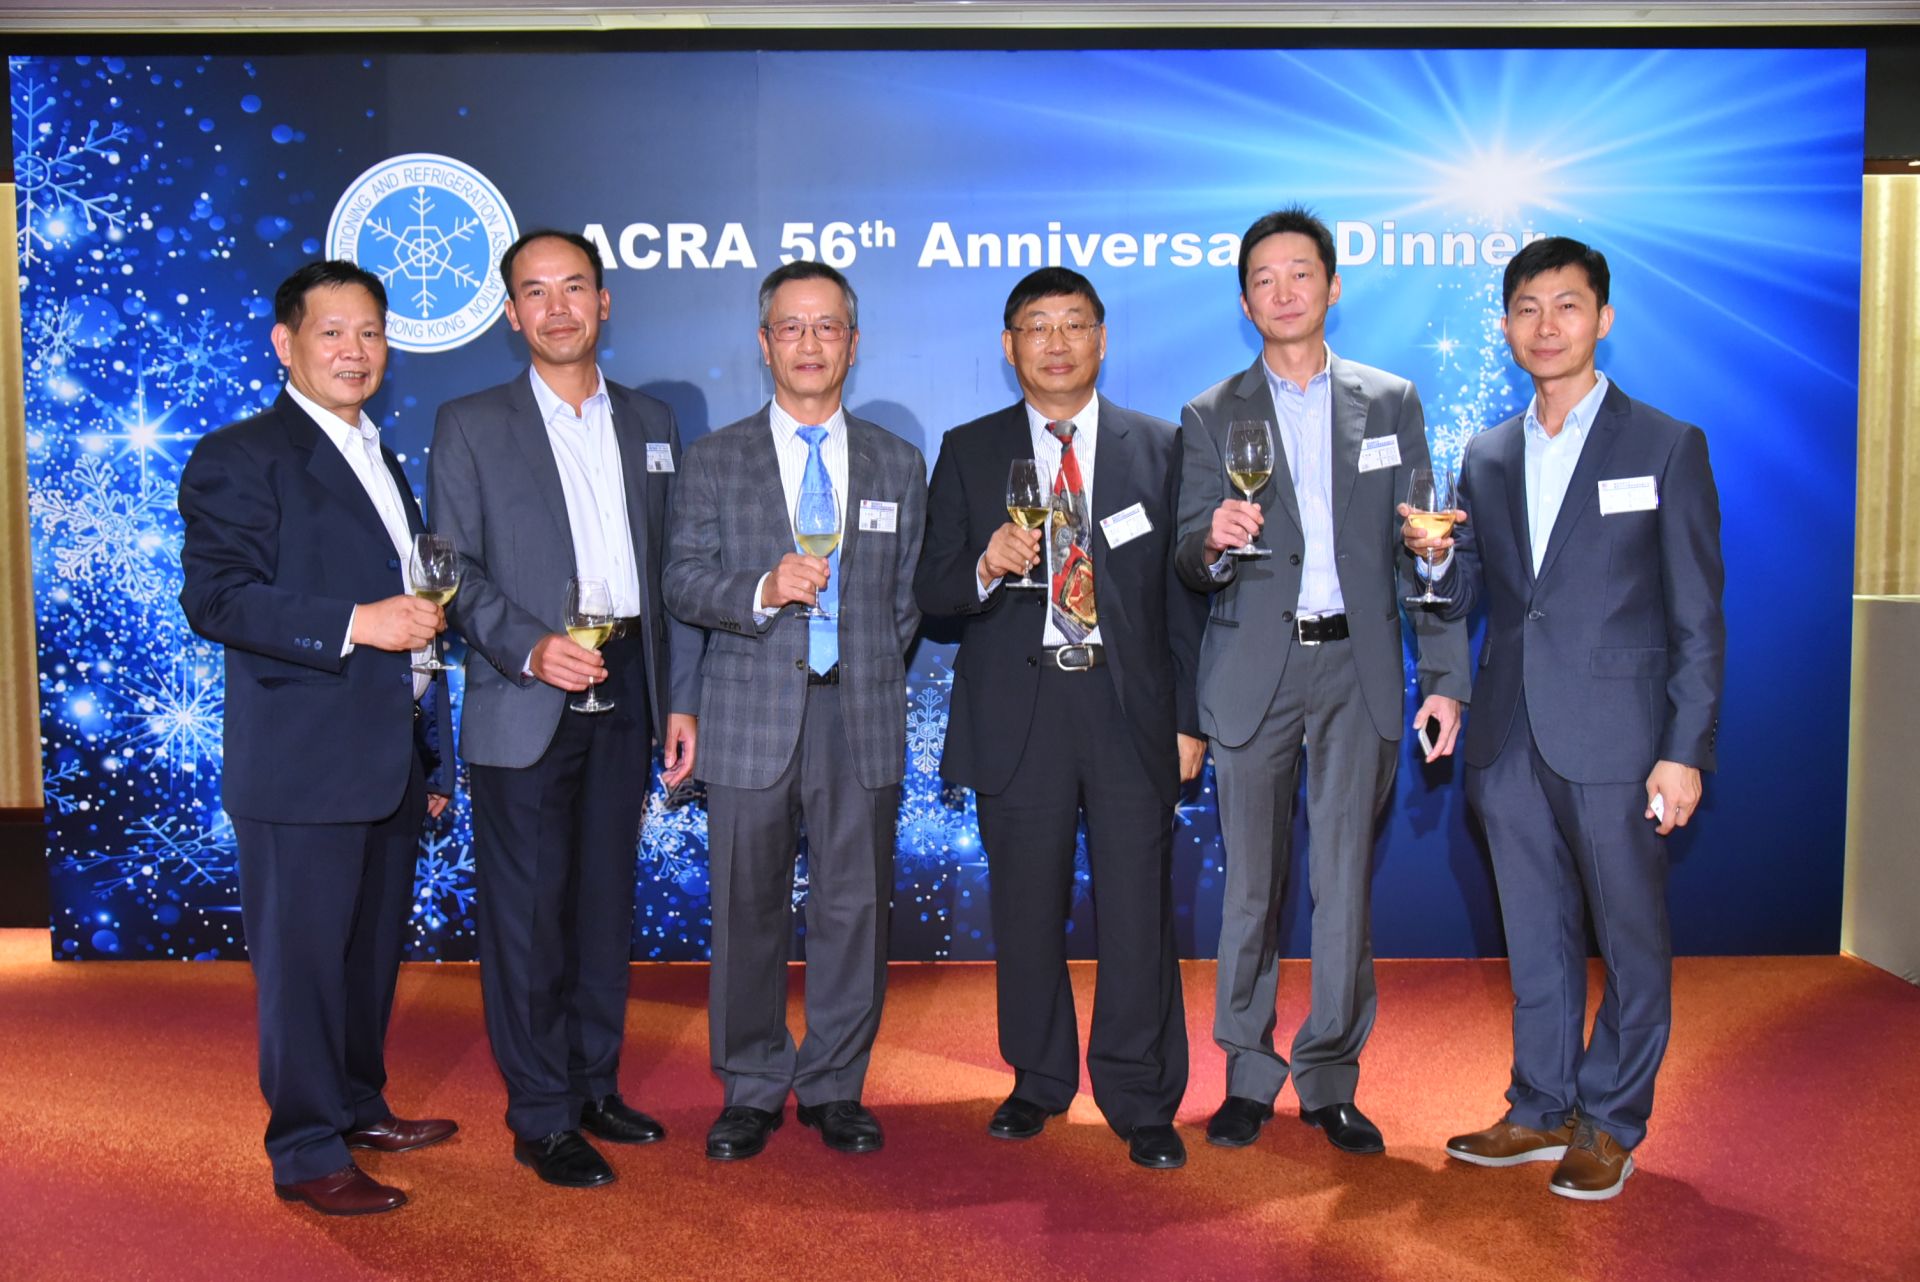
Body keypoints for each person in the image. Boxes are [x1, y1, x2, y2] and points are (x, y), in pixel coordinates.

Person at [1405, 235, 1724, 1201]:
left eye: (1568, 305)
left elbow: (1698, 616)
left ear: (1603, 318)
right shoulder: (1488, 452)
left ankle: (1612, 1120)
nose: (1547, 326)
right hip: (1507, 735)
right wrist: (1433, 563)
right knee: (1534, 933)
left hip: (1621, 738)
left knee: (1628, 939)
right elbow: (1472, 587)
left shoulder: (1665, 443)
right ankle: (1540, 1105)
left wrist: (1685, 749)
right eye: (1527, 309)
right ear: (1506, 327)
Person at [1175, 206, 1470, 1156]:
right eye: (1263, 279)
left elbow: (1423, 541)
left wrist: (1444, 664)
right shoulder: (1210, 413)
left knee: (1343, 887)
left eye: (1300, 273)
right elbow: (1185, 558)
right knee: (1251, 889)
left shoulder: (1390, 401)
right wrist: (1210, 544)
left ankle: (1332, 1078)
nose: (1284, 292)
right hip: (1253, 671)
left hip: (1358, 666)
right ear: (1244, 302)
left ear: (1333, 286)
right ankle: (1246, 1075)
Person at [178, 260, 457, 1216]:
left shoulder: (380, 453)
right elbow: (216, 599)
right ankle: (304, 1153)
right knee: (302, 970)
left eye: (371, 332)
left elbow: (417, 612)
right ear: (284, 343)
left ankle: (356, 1107)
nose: (355, 350)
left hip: (388, 759)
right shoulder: (242, 454)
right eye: (332, 332)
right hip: (301, 765)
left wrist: (432, 752)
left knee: (367, 958)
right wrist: (354, 623)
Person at [426, 230, 700, 1189]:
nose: (556, 308)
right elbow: (452, 569)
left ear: (604, 301)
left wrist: (680, 699)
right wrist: (530, 645)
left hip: (627, 684)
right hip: (528, 688)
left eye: (573, 287)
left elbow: (673, 572)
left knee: (601, 905)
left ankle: (593, 1086)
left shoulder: (653, 421)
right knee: (528, 916)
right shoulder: (470, 423)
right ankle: (541, 1114)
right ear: (511, 314)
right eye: (535, 292)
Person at [914, 267, 1204, 1169]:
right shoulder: (969, 449)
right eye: (1037, 327)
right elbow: (932, 593)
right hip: (1021, 709)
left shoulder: (1160, 447)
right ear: (1010, 347)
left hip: (1129, 709)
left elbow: (1185, 602)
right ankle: (1038, 1080)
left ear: (1102, 339)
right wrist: (987, 564)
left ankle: (1139, 1093)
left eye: (1074, 324)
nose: (1056, 343)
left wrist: (1190, 719)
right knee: (1026, 906)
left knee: (1138, 910)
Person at [663, 261, 925, 1162]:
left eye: (827, 327)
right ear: (764, 343)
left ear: (853, 343)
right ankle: (750, 1087)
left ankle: (835, 1087)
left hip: (859, 713)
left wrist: (862, 664)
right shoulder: (715, 458)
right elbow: (681, 581)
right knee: (747, 912)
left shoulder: (897, 461)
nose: (809, 343)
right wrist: (763, 589)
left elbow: (904, 603)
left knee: (855, 912)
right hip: (747, 714)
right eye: (791, 327)